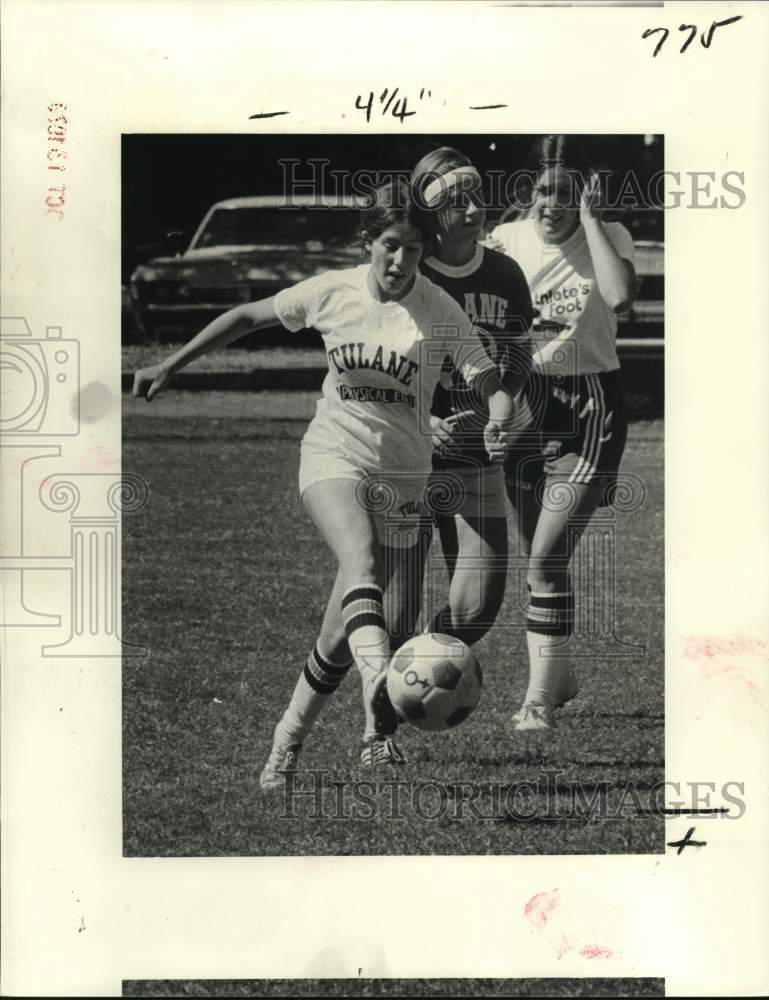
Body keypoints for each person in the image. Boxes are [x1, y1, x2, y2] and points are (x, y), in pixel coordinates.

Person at [132, 180, 527, 785]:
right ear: (368, 242)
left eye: (415, 251)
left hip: (402, 477)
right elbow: (246, 315)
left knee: (338, 632)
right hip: (332, 456)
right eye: (390, 246)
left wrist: (499, 416)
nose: (401, 262)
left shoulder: (440, 311)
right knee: (360, 561)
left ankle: (285, 743)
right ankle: (379, 684)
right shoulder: (331, 292)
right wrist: (169, 364)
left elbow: (490, 380)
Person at [489, 135, 637, 731]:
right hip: (524, 403)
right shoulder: (504, 242)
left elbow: (622, 295)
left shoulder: (608, 236)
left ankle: (538, 700)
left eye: (566, 192)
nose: (553, 203)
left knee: (546, 558)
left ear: (584, 194)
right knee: (540, 557)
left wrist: (594, 222)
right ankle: (560, 673)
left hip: (589, 406)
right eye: (543, 190)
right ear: (527, 191)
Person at [401, 146, 533, 650]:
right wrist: (422, 419)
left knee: (474, 614)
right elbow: (374, 362)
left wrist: (503, 404)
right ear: (432, 209)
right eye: (458, 201)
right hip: (405, 457)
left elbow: (520, 354)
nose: (474, 210)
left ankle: (420, 664)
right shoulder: (408, 273)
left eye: (476, 195)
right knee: (395, 606)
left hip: (475, 457)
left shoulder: (504, 273)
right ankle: (385, 701)